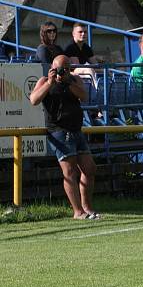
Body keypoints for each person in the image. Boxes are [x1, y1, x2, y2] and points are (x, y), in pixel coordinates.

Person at [29, 55, 100, 220]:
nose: (64, 71)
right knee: (69, 172)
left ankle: (87, 207)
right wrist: (49, 83)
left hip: (76, 130)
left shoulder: (74, 80)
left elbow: (84, 96)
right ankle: (78, 212)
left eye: (67, 68)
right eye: (61, 69)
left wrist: (68, 81)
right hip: (59, 131)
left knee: (90, 168)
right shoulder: (44, 80)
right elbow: (34, 100)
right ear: (53, 67)